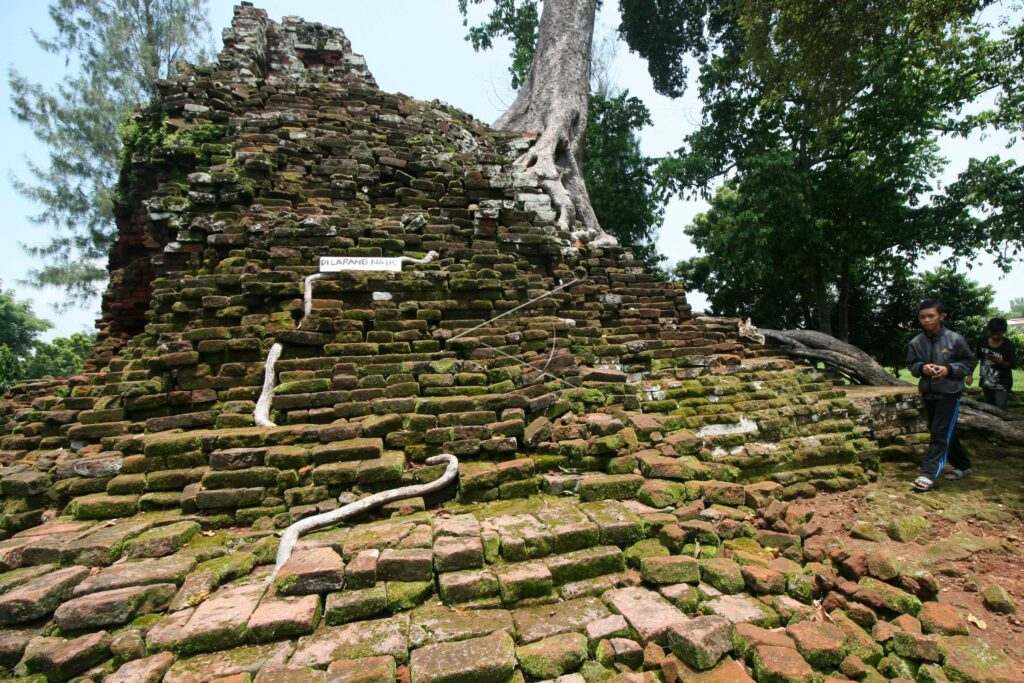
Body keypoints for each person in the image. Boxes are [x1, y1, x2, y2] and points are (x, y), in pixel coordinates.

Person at [906, 299, 977, 491]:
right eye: (922, 317)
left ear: (942, 316)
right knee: (941, 430)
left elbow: (969, 362)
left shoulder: (955, 339)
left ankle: (928, 474)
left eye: (931, 316)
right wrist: (922, 368)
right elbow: (911, 365)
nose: (926, 320)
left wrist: (949, 369)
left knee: (940, 431)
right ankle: (963, 465)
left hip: (949, 393)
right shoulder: (916, 342)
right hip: (928, 393)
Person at [967, 317, 1015, 411]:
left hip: (1002, 382)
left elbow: (1011, 364)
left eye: (998, 334)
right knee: (988, 405)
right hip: (986, 380)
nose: (995, 336)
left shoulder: (1009, 345)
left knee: (1000, 405)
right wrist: (970, 375)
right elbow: (976, 358)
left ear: (1003, 332)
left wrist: (1000, 362)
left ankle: (1003, 420)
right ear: (988, 331)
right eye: (992, 333)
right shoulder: (982, 340)